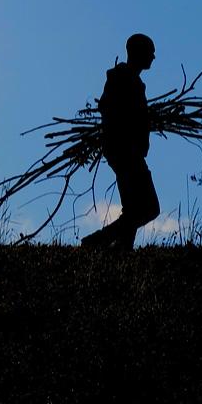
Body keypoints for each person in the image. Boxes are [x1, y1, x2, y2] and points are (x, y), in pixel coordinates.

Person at [81, 34, 161, 250]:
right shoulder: (121, 78)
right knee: (150, 208)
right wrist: (130, 138)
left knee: (133, 207)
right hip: (125, 151)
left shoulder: (132, 81)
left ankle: (122, 250)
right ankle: (96, 241)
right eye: (150, 51)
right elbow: (109, 110)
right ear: (138, 53)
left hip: (127, 151)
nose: (154, 56)